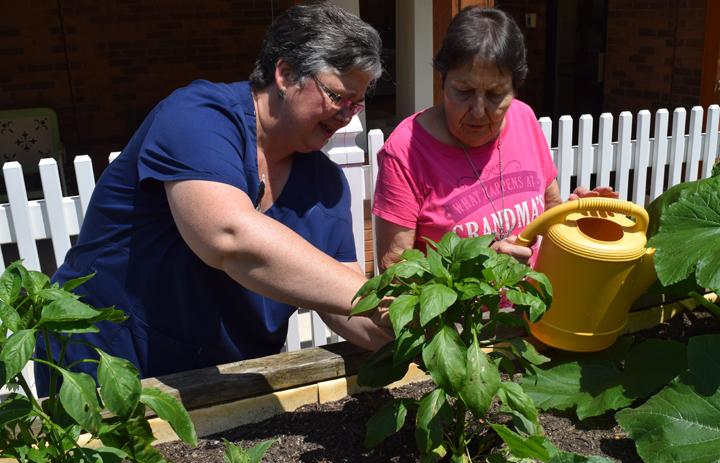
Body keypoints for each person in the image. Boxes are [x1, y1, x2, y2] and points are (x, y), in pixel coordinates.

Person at [35, 1, 392, 396]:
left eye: (356, 103)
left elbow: (344, 304)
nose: (348, 117)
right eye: (337, 96)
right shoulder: (196, 117)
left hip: (224, 384)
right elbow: (227, 238)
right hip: (110, 361)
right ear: (286, 73)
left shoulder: (325, 185)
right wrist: (370, 299)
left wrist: (414, 330)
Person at [372, 7, 617, 270]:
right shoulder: (406, 151)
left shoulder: (524, 119)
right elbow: (395, 269)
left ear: (515, 88)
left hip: (533, 306)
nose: (478, 111)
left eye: (495, 94)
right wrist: (476, 267)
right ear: (442, 81)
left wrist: (572, 215)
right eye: (463, 91)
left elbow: (550, 205)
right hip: (459, 312)